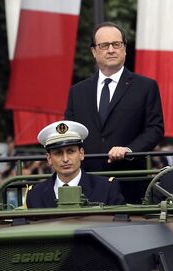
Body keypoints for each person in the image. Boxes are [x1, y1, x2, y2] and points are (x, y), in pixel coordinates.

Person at [65, 22, 164, 202]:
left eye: (116, 44)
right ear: (94, 52)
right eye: (104, 45)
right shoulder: (78, 91)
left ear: (125, 49)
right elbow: (70, 134)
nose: (111, 50)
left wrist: (130, 150)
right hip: (87, 182)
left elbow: (154, 129)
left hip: (129, 180)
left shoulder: (145, 87)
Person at [26, 120, 125, 208]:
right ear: (49, 158)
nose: (65, 159)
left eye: (70, 151)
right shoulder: (35, 194)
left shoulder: (106, 188)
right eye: (58, 153)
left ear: (81, 153)